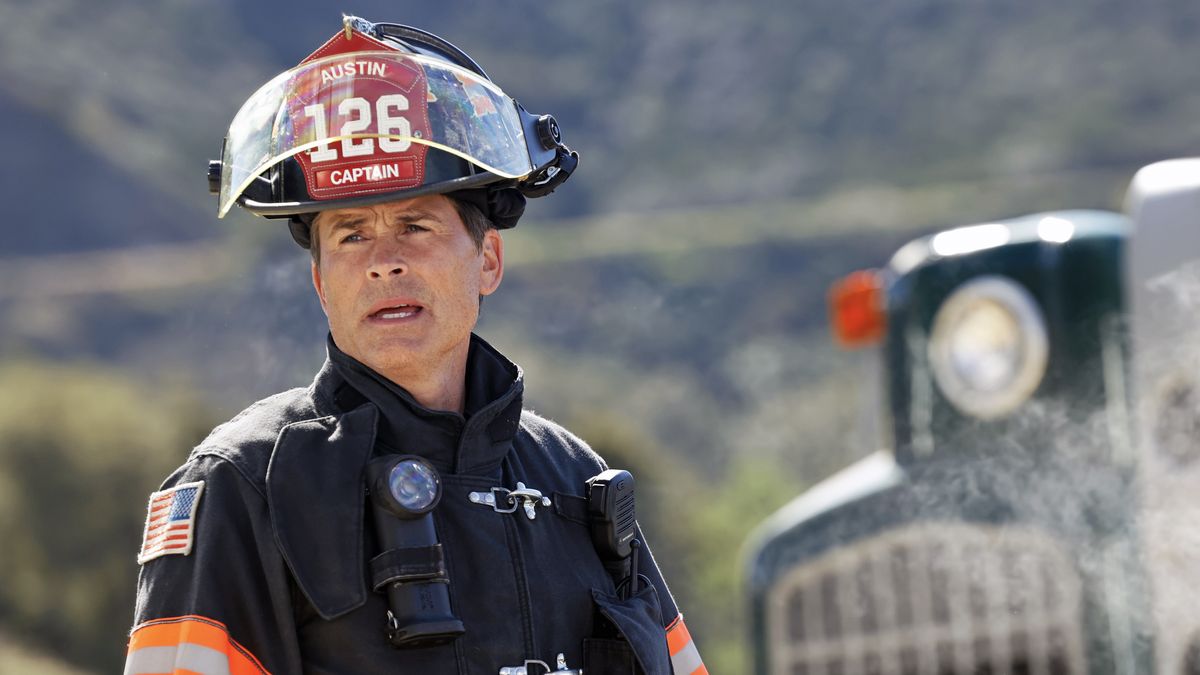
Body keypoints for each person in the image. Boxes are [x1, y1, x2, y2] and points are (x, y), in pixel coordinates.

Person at [123, 14, 707, 675]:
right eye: (350, 234)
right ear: (321, 281)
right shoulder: (243, 483)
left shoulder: (574, 477)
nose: (384, 262)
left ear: (488, 259)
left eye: (416, 224)